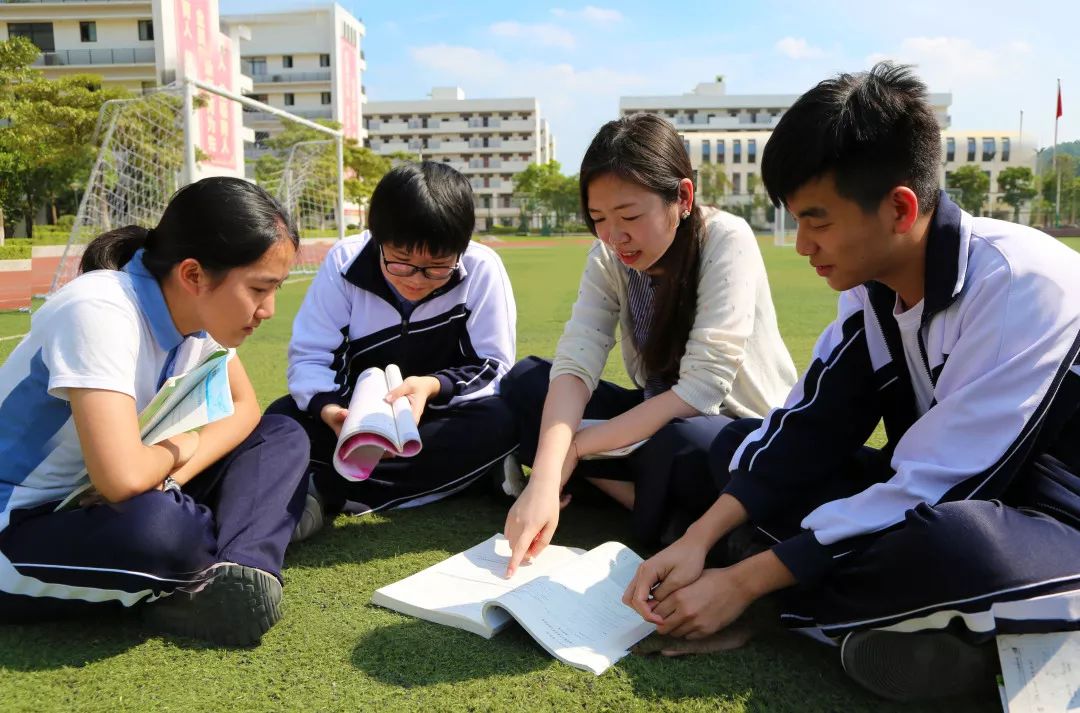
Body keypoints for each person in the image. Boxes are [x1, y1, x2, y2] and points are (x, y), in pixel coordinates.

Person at [624, 63, 1080, 702]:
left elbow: (947, 486)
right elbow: (809, 428)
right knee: (708, 444)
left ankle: (785, 608)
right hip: (927, 493)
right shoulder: (871, 292)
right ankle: (905, 629)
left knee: (958, 546)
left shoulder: (1023, 286)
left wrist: (745, 583)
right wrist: (702, 536)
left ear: (899, 208)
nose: (803, 244)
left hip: (1042, 520)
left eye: (819, 221)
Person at [0, 177, 311, 647]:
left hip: (115, 496)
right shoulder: (100, 308)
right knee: (163, 533)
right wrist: (180, 449)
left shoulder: (199, 319)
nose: (267, 309)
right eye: (259, 289)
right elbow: (122, 479)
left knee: (283, 432)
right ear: (193, 275)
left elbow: (245, 409)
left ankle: (243, 569)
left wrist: (171, 476)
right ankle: (240, 533)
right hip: (22, 524)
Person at [501, 113, 798, 577]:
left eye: (630, 216)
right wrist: (545, 474)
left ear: (682, 197)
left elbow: (701, 391)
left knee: (682, 442)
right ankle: (674, 515)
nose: (614, 236)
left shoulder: (725, 239)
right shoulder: (607, 259)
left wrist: (572, 450)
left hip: (737, 431)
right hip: (654, 420)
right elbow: (577, 358)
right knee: (528, 384)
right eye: (598, 218)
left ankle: (668, 514)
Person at [268, 161, 518, 540]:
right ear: (376, 238)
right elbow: (311, 357)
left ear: (461, 248)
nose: (417, 280)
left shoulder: (482, 268)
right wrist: (334, 413)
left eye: (437, 268)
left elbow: (495, 367)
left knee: (506, 416)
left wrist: (431, 388)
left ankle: (328, 490)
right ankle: (466, 476)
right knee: (281, 419)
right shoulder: (344, 261)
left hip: (439, 417)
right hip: (353, 420)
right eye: (400, 263)